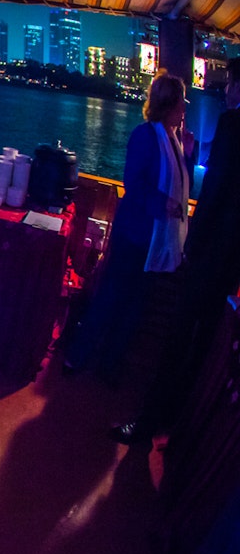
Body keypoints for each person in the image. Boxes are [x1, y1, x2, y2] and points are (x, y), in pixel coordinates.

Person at [110, 59, 240, 444]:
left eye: (231, 83)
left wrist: (192, 246)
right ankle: (179, 424)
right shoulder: (148, 136)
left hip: (209, 256)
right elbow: (136, 183)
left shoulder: (232, 125)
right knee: (198, 346)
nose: (227, 91)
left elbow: (214, 193)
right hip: (228, 264)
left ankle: (150, 424)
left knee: (179, 341)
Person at [65, 71, 193, 381]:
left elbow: (179, 180)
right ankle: (78, 357)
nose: (184, 108)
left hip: (154, 240)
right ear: (169, 104)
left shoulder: (176, 142)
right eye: (180, 102)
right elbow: (133, 183)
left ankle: (110, 364)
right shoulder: (145, 136)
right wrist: (163, 204)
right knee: (111, 297)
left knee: (135, 306)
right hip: (135, 234)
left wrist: (188, 154)